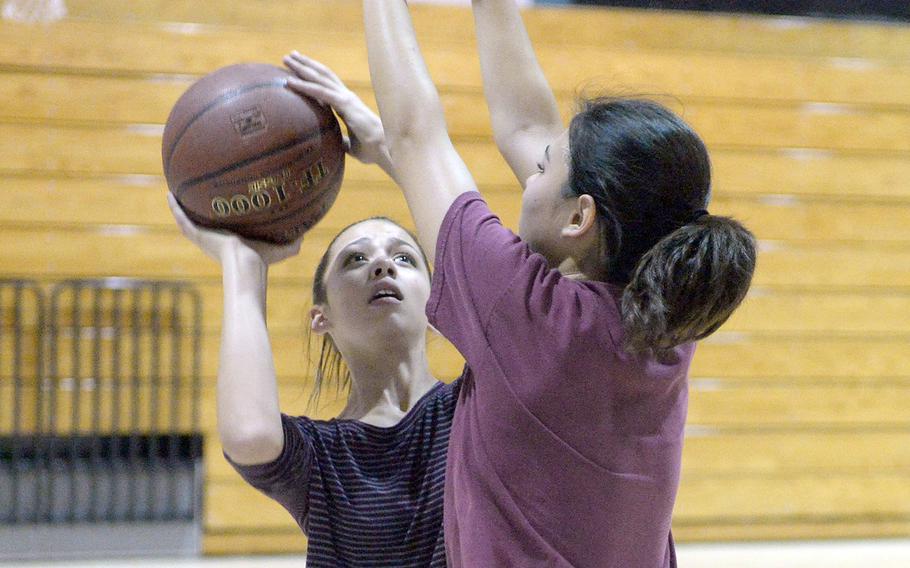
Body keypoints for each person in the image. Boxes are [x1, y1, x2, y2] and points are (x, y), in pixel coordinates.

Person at [362, 0, 757, 566]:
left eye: (544, 167)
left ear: (579, 219)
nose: (533, 172)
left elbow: (414, 135)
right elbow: (527, 127)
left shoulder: (527, 314)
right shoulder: (667, 320)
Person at [167, 54, 460, 568]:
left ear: (436, 300)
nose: (382, 266)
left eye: (405, 257)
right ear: (320, 316)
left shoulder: (479, 408)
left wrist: (385, 143)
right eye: (356, 259)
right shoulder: (323, 458)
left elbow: (480, 251)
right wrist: (242, 265)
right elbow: (250, 434)